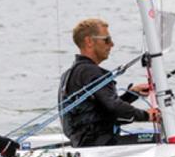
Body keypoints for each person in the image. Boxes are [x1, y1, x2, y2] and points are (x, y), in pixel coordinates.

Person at [59, 18, 160, 147]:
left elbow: (103, 111)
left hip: (84, 143)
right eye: (106, 40)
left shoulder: (70, 74)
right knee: (159, 138)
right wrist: (147, 115)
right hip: (99, 144)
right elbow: (114, 109)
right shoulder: (92, 72)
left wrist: (132, 94)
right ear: (89, 41)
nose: (112, 44)